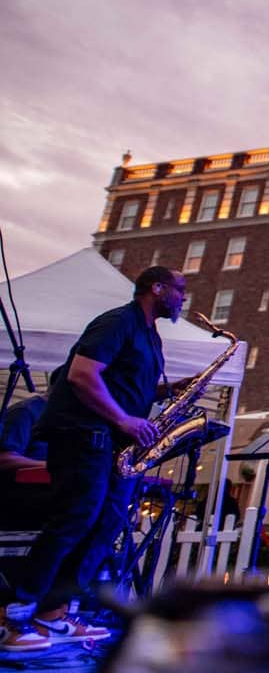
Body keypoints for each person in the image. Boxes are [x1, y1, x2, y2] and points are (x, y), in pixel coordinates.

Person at [2, 266, 186, 653]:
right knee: (75, 519)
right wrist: (123, 419)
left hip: (113, 444)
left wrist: (174, 390)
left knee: (107, 523)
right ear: (157, 288)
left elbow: (127, 386)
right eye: (179, 289)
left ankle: (52, 612)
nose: (183, 298)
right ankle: (10, 613)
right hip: (86, 436)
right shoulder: (118, 321)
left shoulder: (149, 335)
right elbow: (83, 374)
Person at [0, 388, 53, 532]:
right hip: (24, 496)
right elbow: (4, 459)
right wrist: (52, 465)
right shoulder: (25, 412)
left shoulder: (69, 417)